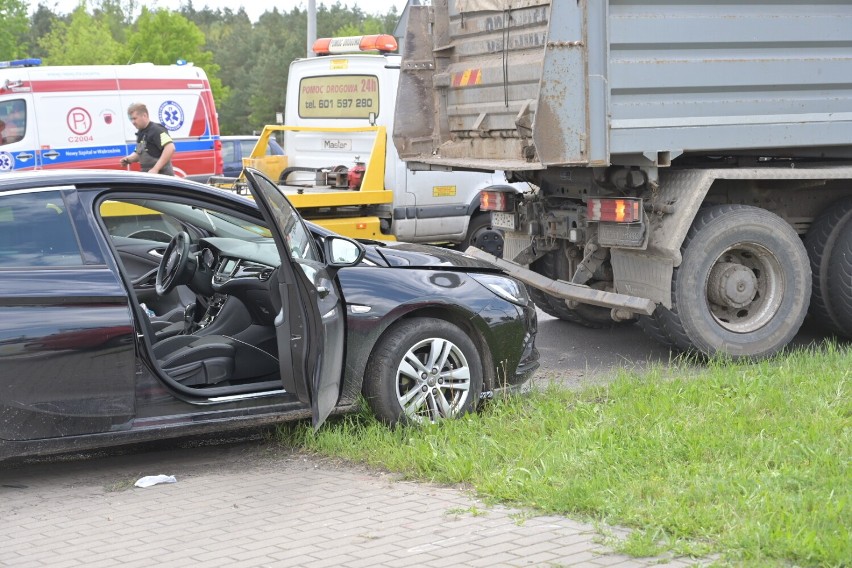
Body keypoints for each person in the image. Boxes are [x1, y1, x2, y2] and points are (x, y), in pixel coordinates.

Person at [120, 103, 175, 175]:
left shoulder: (156, 130)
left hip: (162, 177)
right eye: (131, 119)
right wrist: (128, 159)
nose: (133, 122)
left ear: (144, 115)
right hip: (148, 176)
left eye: (135, 118)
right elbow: (138, 153)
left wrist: (155, 169)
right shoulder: (140, 133)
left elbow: (170, 148)